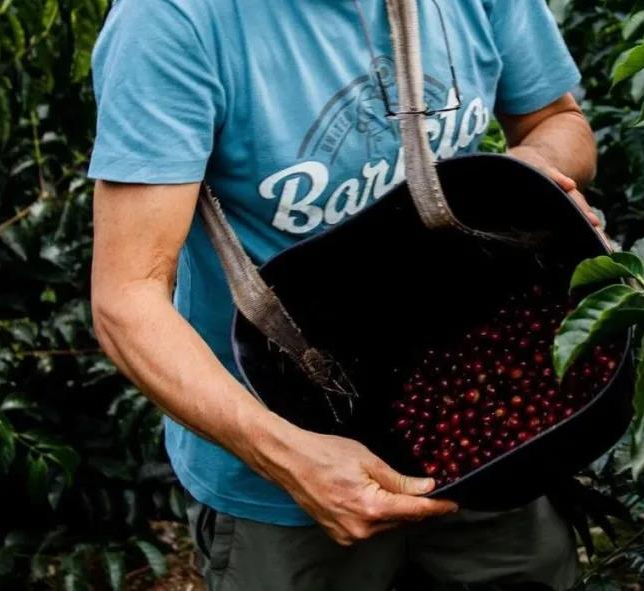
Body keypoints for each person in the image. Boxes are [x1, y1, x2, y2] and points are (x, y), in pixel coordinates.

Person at [88, 0, 598, 589]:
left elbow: (556, 122)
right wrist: (289, 459)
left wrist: (527, 174)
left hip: (485, 415)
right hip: (286, 463)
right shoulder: (173, 20)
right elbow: (128, 298)